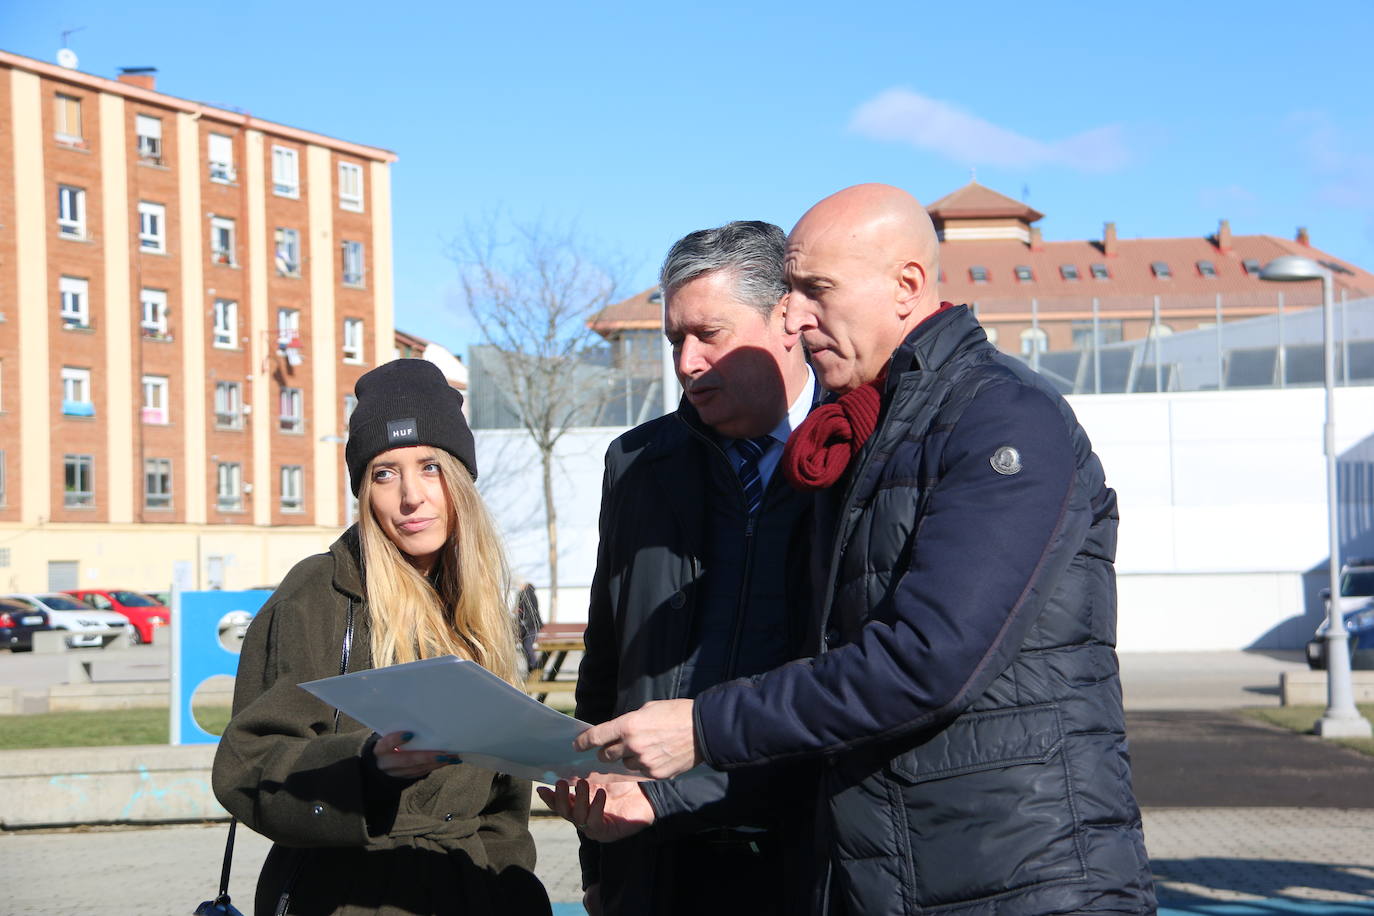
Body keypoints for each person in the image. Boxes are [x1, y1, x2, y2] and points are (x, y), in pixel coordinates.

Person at [575, 185, 1157, 914]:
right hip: (883, 868)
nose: (797, 315)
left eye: (815, 290)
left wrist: (701, 727)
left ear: (907, 285)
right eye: (790, 293)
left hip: (1012, 874)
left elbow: (924, 659)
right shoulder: (864, 432)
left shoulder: (1000, 420)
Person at [542, 221, 821, 916]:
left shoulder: (858, 453)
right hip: (651, 861)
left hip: (806, 861)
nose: (689, 362)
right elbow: (605, 669)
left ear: (786, 319)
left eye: (710, 334)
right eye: (674, 339)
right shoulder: (638, 465)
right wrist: (599, 864)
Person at [212, 359, 550, 916]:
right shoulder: (317, 592)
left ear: (461, 480)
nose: (410, 496)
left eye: (430, 467)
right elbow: (248, 765)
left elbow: (502, 810)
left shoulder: (484, 606)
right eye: (385, 473)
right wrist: (366, 769)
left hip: (469, 893)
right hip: (348, 896)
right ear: (364, 492)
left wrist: (513, 892)